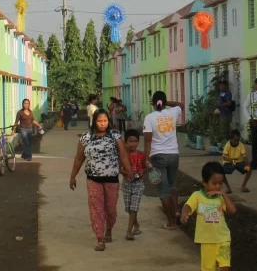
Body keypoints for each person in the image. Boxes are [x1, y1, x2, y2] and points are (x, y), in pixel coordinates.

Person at [69, 109, 134, 251]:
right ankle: (100, 238)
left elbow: (123, 155)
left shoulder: (115, 136)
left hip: (112, 178)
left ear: (109, 121)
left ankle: (109, 229)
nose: (103, 124)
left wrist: (129, 171)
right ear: (94, 121)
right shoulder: (86, 137)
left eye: (105, 121)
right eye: (99, 121)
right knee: (96, 208)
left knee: (111, 209)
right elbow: (79, 158)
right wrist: (73, 176)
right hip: (93, 179)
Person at [179, 162, 238, 271]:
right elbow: (188, 206)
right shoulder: (197, 196)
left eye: (220, 183)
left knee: (225, 269)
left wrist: (224, 195)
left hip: (223, 238)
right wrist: (185, 214)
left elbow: (233, 211)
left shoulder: (220, 197)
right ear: (204, 183)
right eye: (214, 183)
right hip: (207, 240)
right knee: (206, 269)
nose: (217, 187)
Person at [143, 90, 186, 229]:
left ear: (153, 103)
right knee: (173, 186)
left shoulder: (149, 118)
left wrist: (146, 159)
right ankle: (176, 212)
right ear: (164, 102)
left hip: (158, 156)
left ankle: (171, 222)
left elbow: (148, 140)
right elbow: (181, 104)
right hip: (174, 155)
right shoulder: (172, 113)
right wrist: (166, 103)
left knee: (163, 190)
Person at [121, 129, 147, 240]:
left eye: (136, 141)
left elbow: (145, 167)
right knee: (128, 208)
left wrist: (142, 171)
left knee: (134, 207)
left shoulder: (141, 155)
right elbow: (118, 169)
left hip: (138, 183)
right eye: (130, 141)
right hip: (127, 183)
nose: (133, 144)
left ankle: (129, 231)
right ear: (125, 142)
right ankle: (136, 225)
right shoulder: (123, 156)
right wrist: (127, 173)